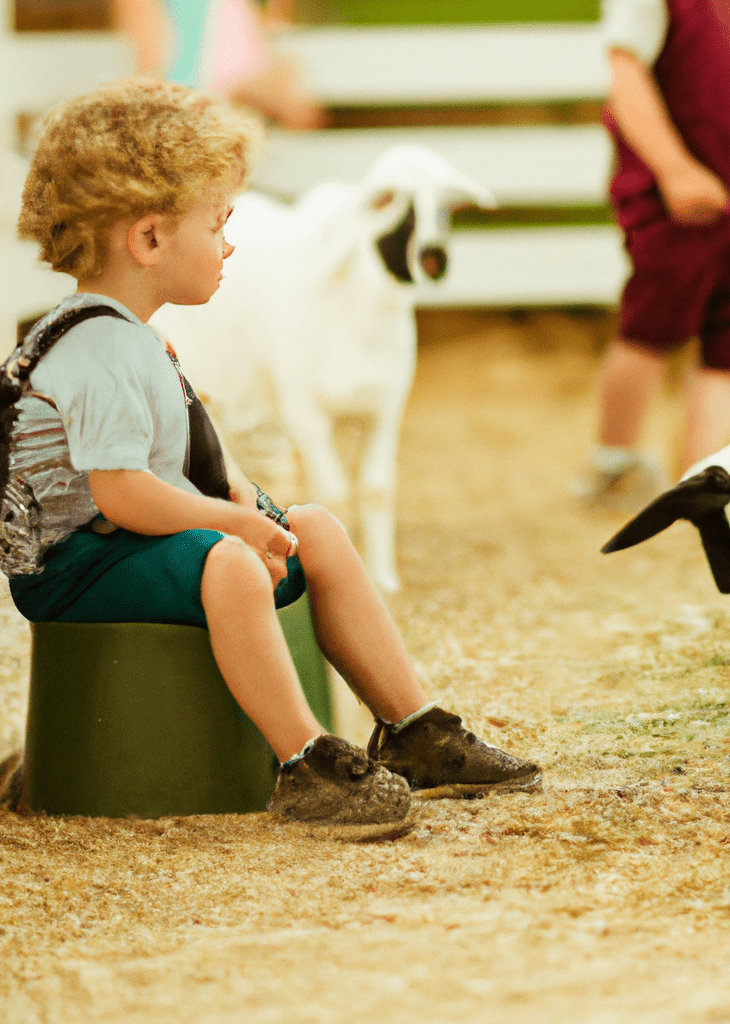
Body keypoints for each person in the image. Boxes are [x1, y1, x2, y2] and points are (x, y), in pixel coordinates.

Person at [8, 78, 540, 826]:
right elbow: (122, 494)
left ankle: (414, 728)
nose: (232, 244)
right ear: (150, 238)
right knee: (228, 563)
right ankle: (305, 762)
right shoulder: (95, 347)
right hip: (78, 567)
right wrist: (229, 533)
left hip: (133, 543)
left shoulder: (137, 338)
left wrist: (243, 504)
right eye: (218, 223)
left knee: (313, 526)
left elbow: (189, 459)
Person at [578, 0, 730, 511]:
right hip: (670, 190)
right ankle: (614, 465)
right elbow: (625, 79)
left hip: (721, 192)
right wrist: (673, 169)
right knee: (654, 321)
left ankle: (707, 474)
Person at [110, 0, 327, 129]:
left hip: (208, 127)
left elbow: (301, 115)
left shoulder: (234, 13)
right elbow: (150, 71)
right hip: (184, 120)